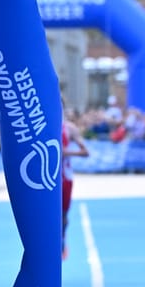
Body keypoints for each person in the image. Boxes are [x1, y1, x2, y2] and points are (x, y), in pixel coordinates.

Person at [61, 109, 90, 259]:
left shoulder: (69, 128)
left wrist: (66, 152)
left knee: (63, 214)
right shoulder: (41, 126)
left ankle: (62, 239)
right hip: (46, 177)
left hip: (65, 177)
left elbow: (86, 152)